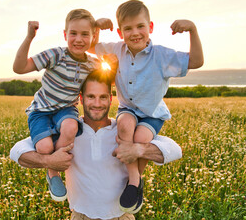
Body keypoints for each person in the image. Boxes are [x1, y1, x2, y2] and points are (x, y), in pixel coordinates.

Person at [10, 70, 183, 220]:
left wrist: (137, 149)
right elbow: (17, 152)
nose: (97, 103)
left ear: (111, 99)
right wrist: (49, 162)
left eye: (103, 97)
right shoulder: (68, 130)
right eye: (91, 97)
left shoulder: (124, 132)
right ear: (81, 98)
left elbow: (175, 150)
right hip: (80, 216)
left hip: (121, 216)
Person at [88, 0, 204, 213]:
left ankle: (135, 181)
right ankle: (134, 180)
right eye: (128, 28)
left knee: (140, 140)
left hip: (152, 113)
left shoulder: (161, 55)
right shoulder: (117, 49)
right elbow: (89, 45)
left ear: (150, 27)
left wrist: (193, 30)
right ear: (121, 33)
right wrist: (96, 26)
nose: (135, 33)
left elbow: (196, 61)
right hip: (128, 109)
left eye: (140, 26)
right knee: (124, 127)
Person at [12, 9, 105, 202]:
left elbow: (114, 73)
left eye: (85, 34)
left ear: (93, 37)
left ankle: (56, 170)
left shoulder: (93, 64)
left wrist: (101, 30)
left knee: (71, 126)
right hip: (41, 111)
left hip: (66, 109)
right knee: (45, 148)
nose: (79, 39)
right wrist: (29, 37)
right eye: (73, 33)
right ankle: (52, 173)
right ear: (65, 34)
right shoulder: (56, 55)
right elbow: (19, 68)